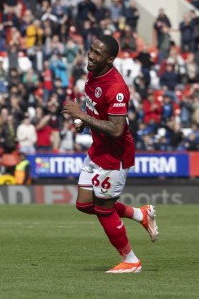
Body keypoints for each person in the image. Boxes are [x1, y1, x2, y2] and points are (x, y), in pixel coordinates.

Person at [62, 35, 158, 274]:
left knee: (104, 209)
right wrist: (86, 121)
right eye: (91, 50)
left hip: (114, 157)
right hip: (97, 149)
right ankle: (140, 213)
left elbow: (116, 129)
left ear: (110, 59)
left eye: (97, 53)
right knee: (84, 205)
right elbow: (98, 111)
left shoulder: (116, 88)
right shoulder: (93, 74)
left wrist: (83, 117)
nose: (91, 56)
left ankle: (131, 260)